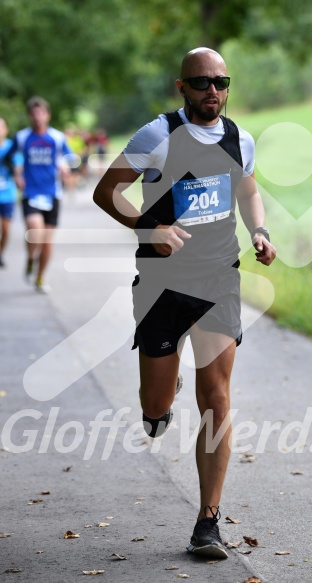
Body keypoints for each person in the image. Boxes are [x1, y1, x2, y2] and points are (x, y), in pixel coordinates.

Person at [93, 47, 276, 559]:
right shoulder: (157, 136)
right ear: (182, 88)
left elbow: (248, 188)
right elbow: (107, 191)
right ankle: (162, 390)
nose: (212, 92)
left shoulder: (240, 138)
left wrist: (259, 230)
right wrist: (148, 227)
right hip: (161, 286)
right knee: (156, 408)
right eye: (201, 83)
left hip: (220, 280)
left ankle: (208, 521)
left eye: (221, 82)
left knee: (216, 399)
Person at [10, 96, 73, 292]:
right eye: (34, 113)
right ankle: (30, 258)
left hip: (52, 192)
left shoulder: (57, 137)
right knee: (34, 231)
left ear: (48, 115)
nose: (38, 116)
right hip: (30, 192)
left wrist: (65, 166)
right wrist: (17, 172)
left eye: (41, 112)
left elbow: (70, 157)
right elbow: (11, 156)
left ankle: (39, 277)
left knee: (46, 240)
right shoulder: (22, 137)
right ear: (29, 116)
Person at [0, 118, 23, 267]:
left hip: (7, 194)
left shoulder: (11, 147)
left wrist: (16, 171)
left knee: (6, 230)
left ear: (6, 129)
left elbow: (19, 165)